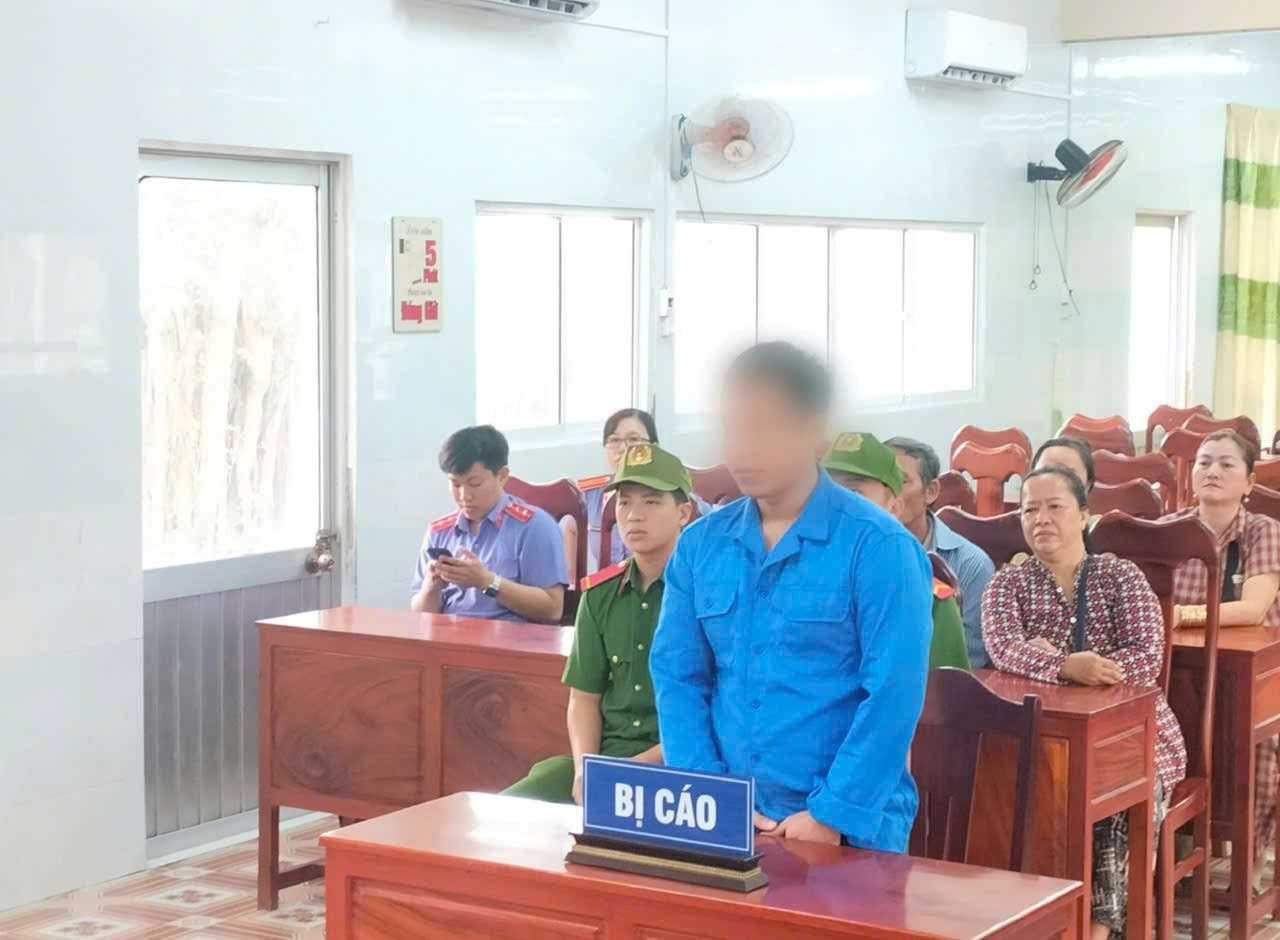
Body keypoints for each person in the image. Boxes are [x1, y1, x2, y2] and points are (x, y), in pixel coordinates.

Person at [650, 342, 933, 851]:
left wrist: (832, 814)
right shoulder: (699, 546)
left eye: (762, 427)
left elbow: (894, 692)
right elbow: (677, 676)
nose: (741, 448)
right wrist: (709, 795)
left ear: (814, 429)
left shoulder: (879, 547)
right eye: (731, 428)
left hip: (846, 831)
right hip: (727, 818)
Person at [982, 467, 1186, 940]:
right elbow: (1003, 650)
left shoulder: (1120, 576)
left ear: (1084, 516)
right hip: (1049, 734)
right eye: (1030, 509)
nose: (1041, 519)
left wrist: (1071, 666)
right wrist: (1065, 666)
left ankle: (1098, 929)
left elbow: (1147, 658)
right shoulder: (1007, 584)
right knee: (1005, 791)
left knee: (1116, 797)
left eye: (1055, 507)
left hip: (1138, 733)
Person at [504, 444, 695, 803]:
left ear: (683, 512)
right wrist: (584, 770)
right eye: (624, 502)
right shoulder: (599, 595)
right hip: (607, 763)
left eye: (651, 502)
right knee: (512, 806)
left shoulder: (706, 595)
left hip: (684, 769)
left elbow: (718, 707)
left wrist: (634, 768)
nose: (634, 515)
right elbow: (583, 698)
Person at [1165, 430, 1280, 878]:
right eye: (1204, 461)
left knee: (1259, 748)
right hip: (1183, 668)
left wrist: (1179, 614)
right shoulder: (1169, 530)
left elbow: (1252, 609)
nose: (1212, 471)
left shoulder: (1264, 531)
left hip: (1255, 674)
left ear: (1249, 482)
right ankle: (1172, 852)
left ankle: (1250, 859)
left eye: (1226, 464)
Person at [822, 432, 970, 670]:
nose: (835, 505)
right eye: (825, 492)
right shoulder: (786, 583)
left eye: (854, 493)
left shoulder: (932, 602)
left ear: (893, 508)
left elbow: (947, 690)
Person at [411, 425, 567, 624]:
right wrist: (430, 588)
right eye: (455, 484)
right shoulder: (439, 531)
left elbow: (552, 609)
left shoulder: (534, 526)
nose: (464, 496)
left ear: (502, 476)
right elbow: (420, 614)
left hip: (508, 639)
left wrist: (486, 582)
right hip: (447, 637)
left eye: (474, 484)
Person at [886, 437, 996, 668]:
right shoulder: (852, 554)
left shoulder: (970, 564)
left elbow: (969, 660)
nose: (888, 493)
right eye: (880, 482)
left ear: (930, 491)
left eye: (900, 480)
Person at [579, 409, 659, 568]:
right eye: (614, 440)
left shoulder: (674, 495)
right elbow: (570, 531)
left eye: (634, 439)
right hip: (608, 582)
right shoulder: (590, 495)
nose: (622, 448)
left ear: (654, 447)